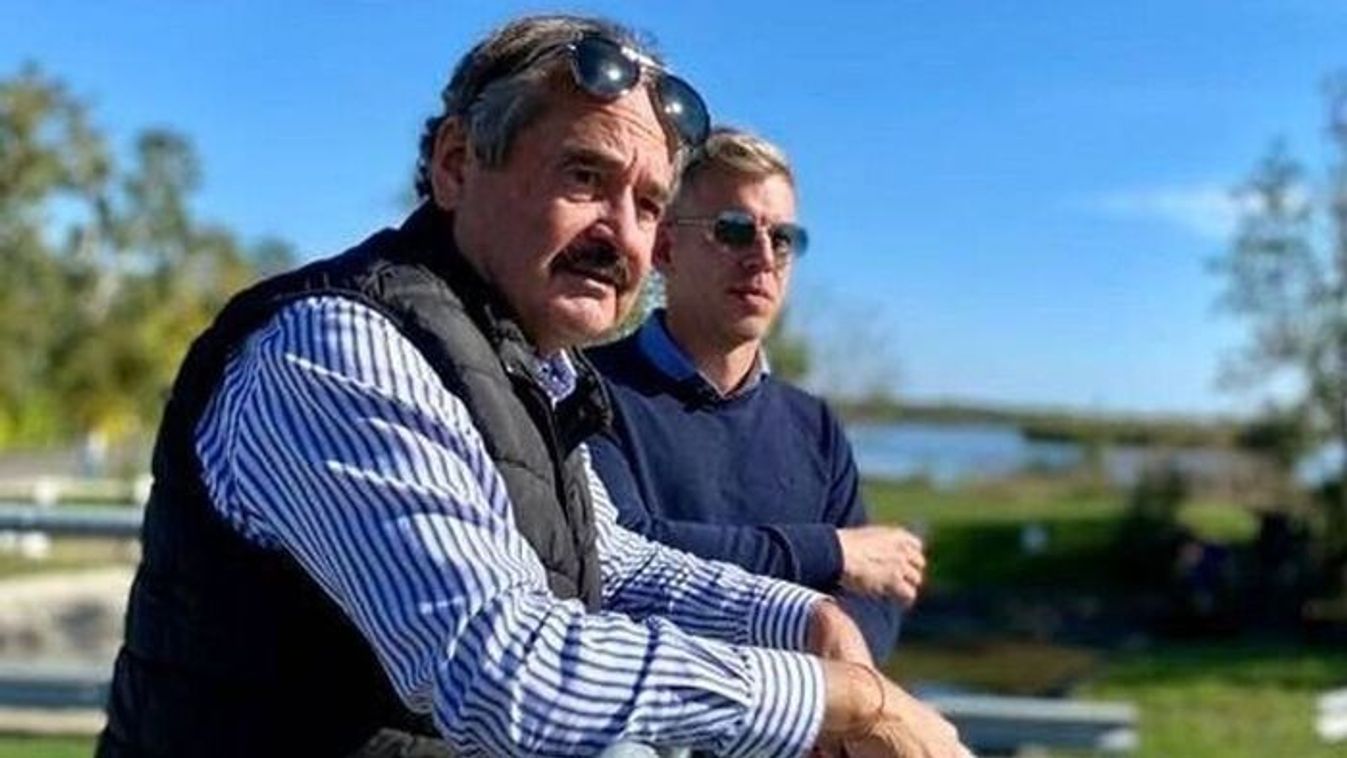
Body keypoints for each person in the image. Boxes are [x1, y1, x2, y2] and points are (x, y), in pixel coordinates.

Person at [96, 15, 966, 758]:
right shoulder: (335, 350)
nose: (621, 235)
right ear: (455, 164)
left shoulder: (528, 371)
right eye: (584, 177)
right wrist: (847, 702)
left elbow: (611, 563)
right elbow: (504, 669)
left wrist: (800, 619)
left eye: (648, 204)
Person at [588, 128, 924, 662]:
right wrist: (829, 554)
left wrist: (836, 668)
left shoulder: (815, 427)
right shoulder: (587, 391)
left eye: (783, 238)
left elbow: (876, 588)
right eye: (735, 230)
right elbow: (622, 555)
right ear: (665, 248)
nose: (764, 258)